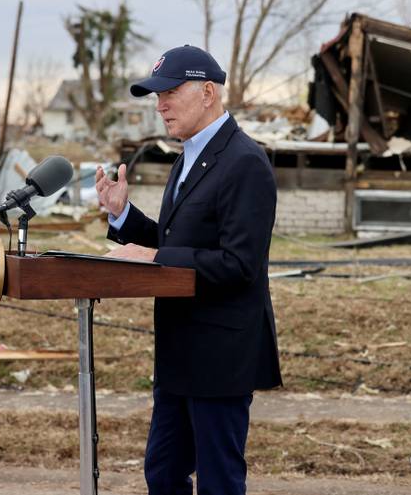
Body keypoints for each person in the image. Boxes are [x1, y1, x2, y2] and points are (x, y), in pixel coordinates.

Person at [95, 45, 282, 495]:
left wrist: (154, 258)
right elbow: (180, 243)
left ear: (208, 93)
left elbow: (238, 264)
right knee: (162, 473)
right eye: (157, 95)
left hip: (220, 355)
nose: (160, 105)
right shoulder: (189, 157)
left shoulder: (245, 162)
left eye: (170, 92)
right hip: (179, 351)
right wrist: (124, 218)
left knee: (217, 481)